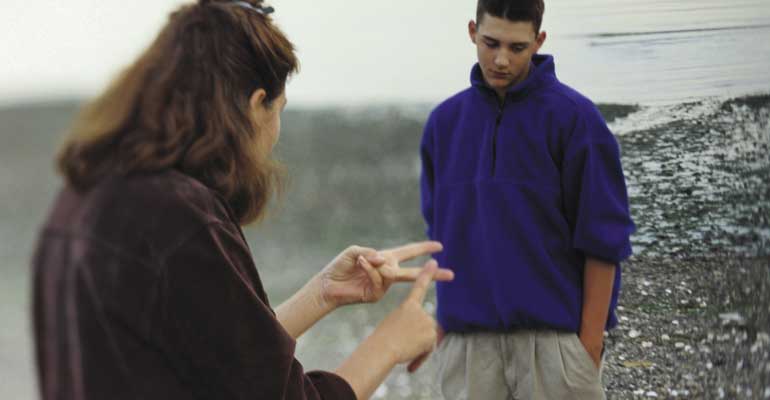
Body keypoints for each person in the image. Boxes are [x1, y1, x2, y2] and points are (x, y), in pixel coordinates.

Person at [31, 1, 454, 399]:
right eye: (279, 108)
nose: (276, 132)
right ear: (255, 105)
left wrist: (322, 295)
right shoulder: (183, 219)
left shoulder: (82, 199)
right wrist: (391, 341)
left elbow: (212, 363)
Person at [419, 0, 636, 399]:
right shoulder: (444, 125)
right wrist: (441, 332)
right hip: (468, 348)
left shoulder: (578, 120)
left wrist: (587, 349)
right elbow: (442, 236)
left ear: (539, 41)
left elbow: (604, 242)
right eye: (490, 43)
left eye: (517, 48)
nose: (501, 59)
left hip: (554, 346)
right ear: (472, 31)